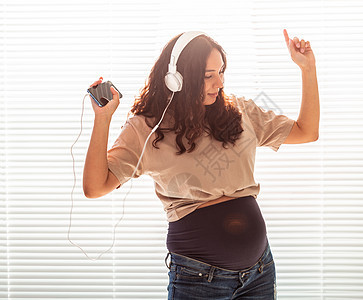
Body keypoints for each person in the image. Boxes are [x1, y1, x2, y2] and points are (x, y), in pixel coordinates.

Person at [83, 29, 319, 299]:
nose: (219, 82)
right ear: (177, 79)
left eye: (221, 72)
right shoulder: (148, 129)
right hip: (198, 279)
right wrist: (102, 119)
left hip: (259, 272)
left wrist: (307, 69)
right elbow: (94, 187)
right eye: (208, 76)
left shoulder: (239, 112)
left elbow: (307, 131)